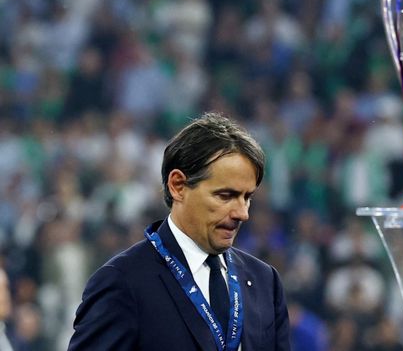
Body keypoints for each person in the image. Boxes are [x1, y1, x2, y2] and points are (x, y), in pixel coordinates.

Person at [68, 113, 291, 350]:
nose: (242, 213)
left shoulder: (264, 281)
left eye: (247, 197)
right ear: (178, 185)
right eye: (226, 196)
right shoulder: (123, 282)